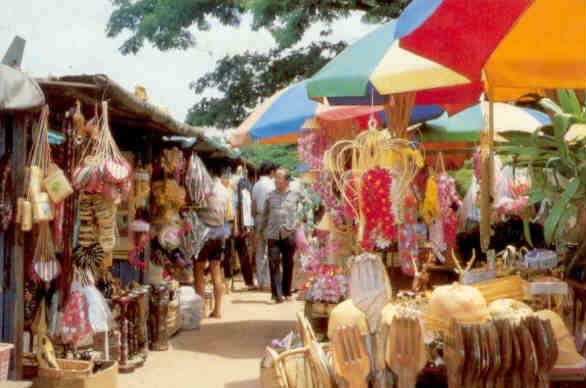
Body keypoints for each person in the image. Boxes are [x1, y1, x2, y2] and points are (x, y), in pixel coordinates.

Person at [260, 168, 302, 303]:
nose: (276, 180)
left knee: (288, 263)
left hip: (289, 233)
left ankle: (286, 291)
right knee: (273, 263)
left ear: (287, 180)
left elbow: (306, 207)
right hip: (272, 234)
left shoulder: (295, 195)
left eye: (279, 177)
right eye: (276, 177)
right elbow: (264, 215)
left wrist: (298, 221)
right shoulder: (269, 195)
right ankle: (276, 295)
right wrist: (259, 231)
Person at [194, 168, 229, 318]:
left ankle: (201, 310)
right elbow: (227, 213)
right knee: (216, 271)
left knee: (199, 271)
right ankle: (218, 310)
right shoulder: (225, 190)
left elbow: (195, 206)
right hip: (220, 233)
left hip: (204, 234)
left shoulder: (203, 188)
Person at [251, 161, 276, 292]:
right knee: (270, 249)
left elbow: (253, 206)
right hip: (270, 219)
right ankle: (267, 282)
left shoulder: (256, 185)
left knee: (259, 251)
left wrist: (255, 223)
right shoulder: (272, 185)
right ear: (271, 172)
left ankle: (260, 281)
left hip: (257, 218)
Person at [232, 165, 256, 290]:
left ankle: (249, 281)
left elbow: (238, 207)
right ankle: (249, 281)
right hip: (240, 224)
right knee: (242, 253)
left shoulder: (240, 185)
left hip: (238, 225)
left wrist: (239, 226)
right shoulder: (241, 185)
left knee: (242, 252)